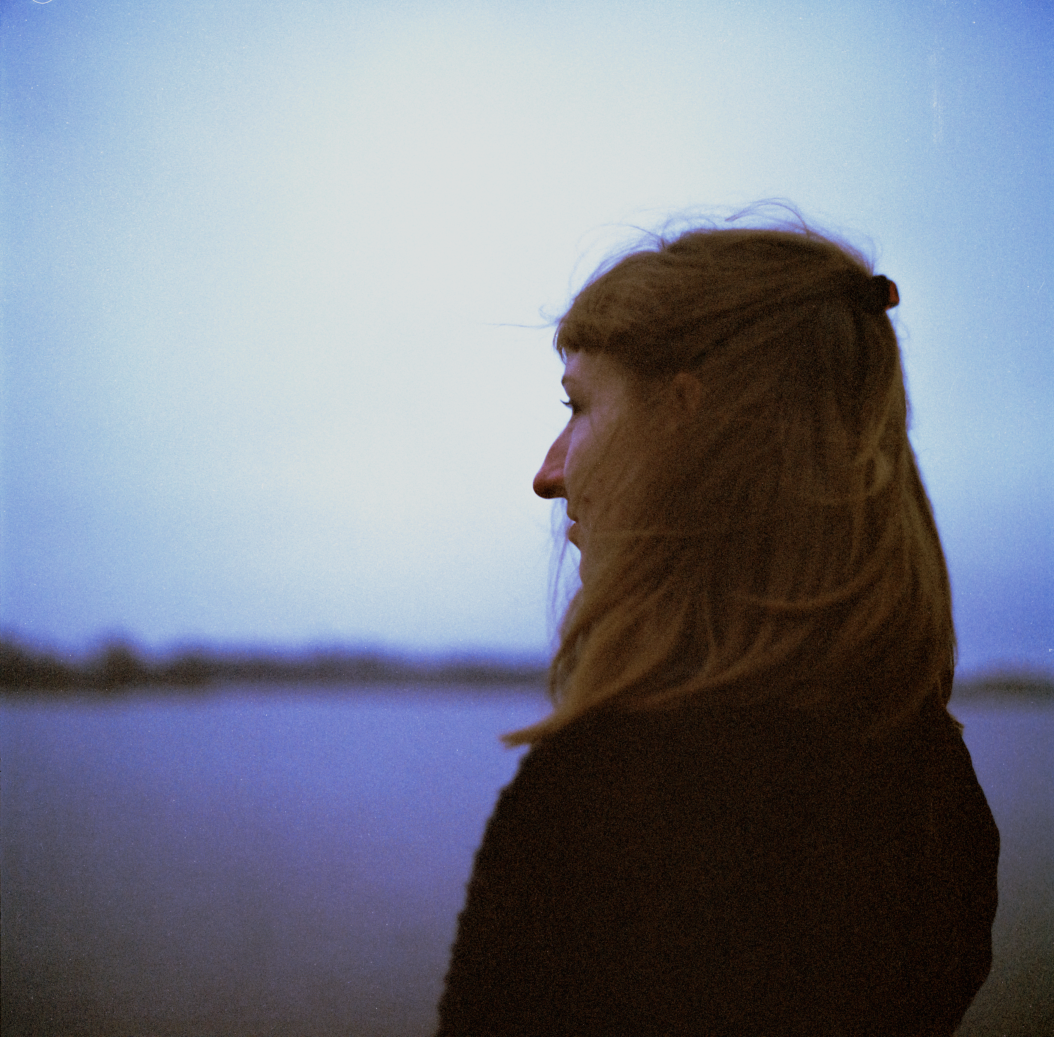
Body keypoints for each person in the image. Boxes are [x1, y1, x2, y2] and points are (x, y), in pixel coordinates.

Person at [435, 219, 999, 1037]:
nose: (547, 473)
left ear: (684, 420)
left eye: (578, 405)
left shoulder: (609, 800)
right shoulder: (934, 784)